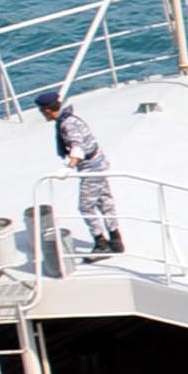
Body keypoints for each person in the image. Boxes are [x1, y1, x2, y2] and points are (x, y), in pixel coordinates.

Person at [35, 89, 120, 257]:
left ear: (46, 110)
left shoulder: (67, 124)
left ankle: (101, 242)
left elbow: (77, 146)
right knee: (104, 200)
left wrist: (69, 167)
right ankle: (116, 239)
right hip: (98, 162)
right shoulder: (69, 118)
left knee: (86, 206)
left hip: (90, 166)